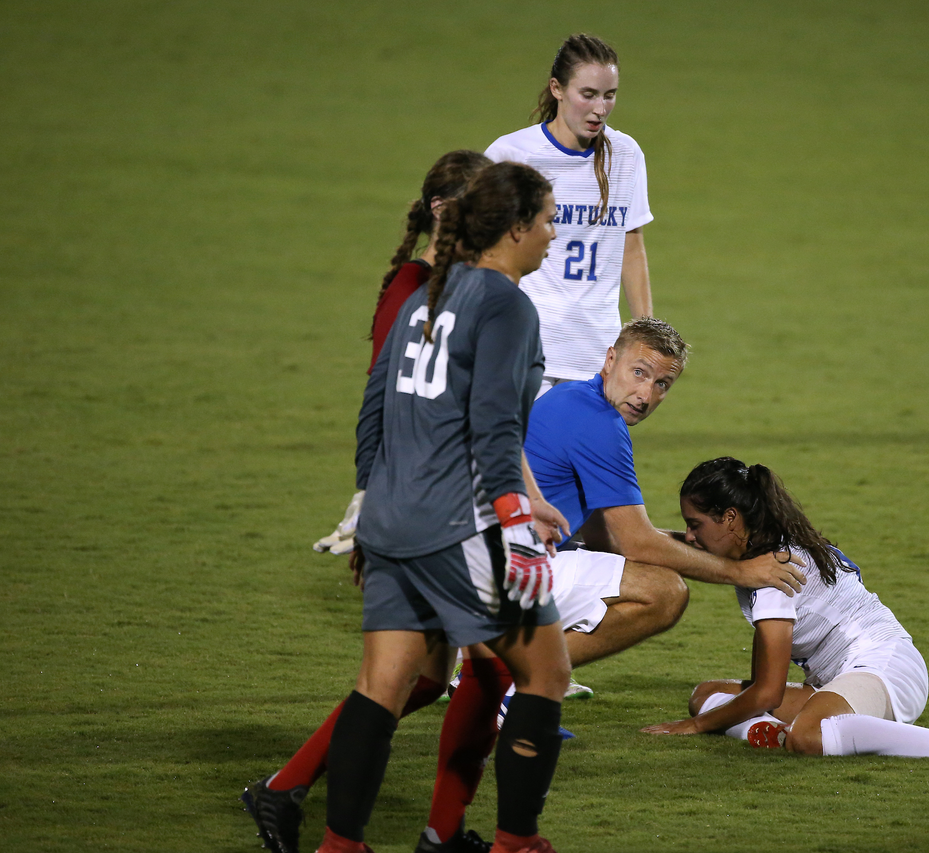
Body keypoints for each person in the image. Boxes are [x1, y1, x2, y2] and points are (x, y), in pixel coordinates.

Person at [242, 321, 808, 853]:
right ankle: (521, 696)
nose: (649, 392)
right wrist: (737, 571)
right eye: (639, 372)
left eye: (663, 383)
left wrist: (669, 541)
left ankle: (292, 789)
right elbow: (634, 542)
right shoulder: (598, 425)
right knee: (662, 592)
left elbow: (599, 531)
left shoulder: (570, 403)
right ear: (610, 360)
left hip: (447, 543)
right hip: (487, 559)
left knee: (412, 685)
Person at [311, 161, 568, 853]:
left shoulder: (430, 290)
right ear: (515, 228)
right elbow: (493, 424)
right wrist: (516, 520)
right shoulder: (507, 305)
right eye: (546, 218)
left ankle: (340, 845)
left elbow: (375, 408)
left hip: (391, 520)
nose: (552, 232)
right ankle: (517, 840)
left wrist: (371, 503)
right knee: (546, 671)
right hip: (457, 524)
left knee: (382, 683)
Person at [641, 457, 929, 766]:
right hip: (837, 680)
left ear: (731, 518)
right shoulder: (767, 549)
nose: (689, 536)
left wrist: (695, 728)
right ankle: (763, 731)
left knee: (806, 737)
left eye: (695, 525)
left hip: (884, 669)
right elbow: (760, 683)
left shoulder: (774, 574)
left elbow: (766, 694)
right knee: (705, 695)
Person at [313, 149, 492, 556]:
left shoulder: (464, 285)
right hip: (416, 481)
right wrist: (371, 488)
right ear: (441, 210)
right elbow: (384, 391)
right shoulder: (411, 285)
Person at [486, 33, 653, 393]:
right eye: (588, 94)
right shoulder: (513, 155)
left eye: (610, 96)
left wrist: (644, 338)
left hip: (599, 355)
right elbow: (477, 249)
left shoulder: (626, 155)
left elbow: (632, 247)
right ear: (557, 89)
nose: (600, 109)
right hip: (527, 348)